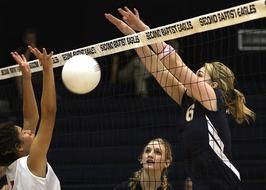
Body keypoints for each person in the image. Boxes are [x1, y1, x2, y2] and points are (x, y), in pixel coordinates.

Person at [105, 7, 255, 190]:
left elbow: (175, 64)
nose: (194, 77)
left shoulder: (212, 97)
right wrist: (133, 37)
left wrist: (144, 29)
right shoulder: (188, 102)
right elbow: (156, 69)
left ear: (213, 84)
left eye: (199, 75)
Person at [0, 46, 60, 189]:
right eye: (23, 132)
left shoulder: (13, 167)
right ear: (18, 147)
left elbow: (30, 118)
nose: (27, 130)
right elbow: (48, 115)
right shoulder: (31, 163)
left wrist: (26, 78)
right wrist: (47, 69)